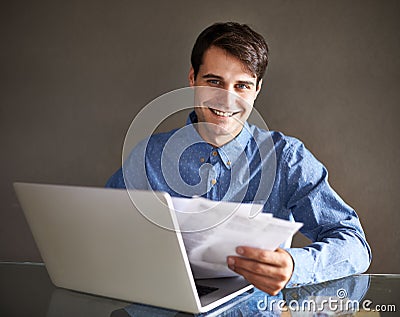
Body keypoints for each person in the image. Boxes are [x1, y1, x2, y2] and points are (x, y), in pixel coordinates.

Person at [106, 22, 371, 295]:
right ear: (192, 79)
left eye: (242, 86)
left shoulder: (287, 159)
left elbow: (354, 243)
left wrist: (294, 265)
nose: (227, 99)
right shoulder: (148, 157)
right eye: (214, 81)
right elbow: (102, 231)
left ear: (257, 90)